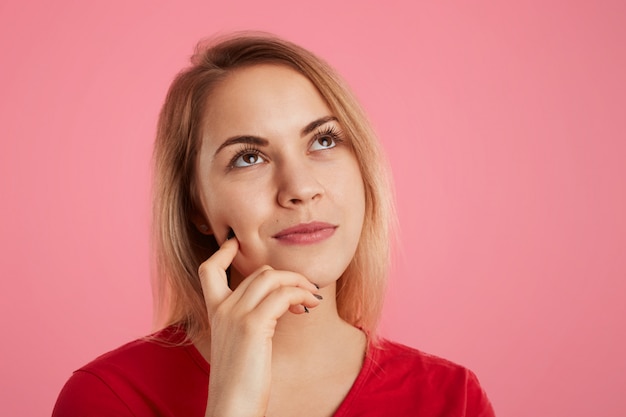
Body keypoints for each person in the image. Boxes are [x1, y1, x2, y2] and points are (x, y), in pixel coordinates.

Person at [52, 33, 495, 417]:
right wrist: (232, 404)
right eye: (249, 157)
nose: (300, 188)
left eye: (324, 140)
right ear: (196, 208)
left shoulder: (452, 399)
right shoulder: (107, 398)